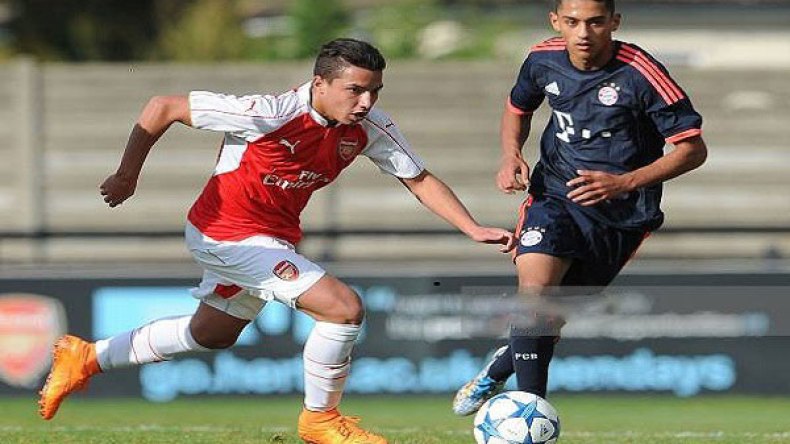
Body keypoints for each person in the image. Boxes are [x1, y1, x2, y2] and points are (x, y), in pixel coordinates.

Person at [37, 38, 515, 443]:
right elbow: (163, 107)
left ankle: (88, 357)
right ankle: (320, 418)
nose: (366, 102)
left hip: (272, 240)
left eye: (374, 91)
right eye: (355, 90)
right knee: (343, 308)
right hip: (225, 233)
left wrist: (471, 227)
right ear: (320, 83)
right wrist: (126, 175)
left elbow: (418, 178)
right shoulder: (268, 112)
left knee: (212, 334)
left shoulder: (368, 128)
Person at [453, 0, 707, 416]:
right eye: (572, 22)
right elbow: (518, 108)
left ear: (614, 22)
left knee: (550, 319)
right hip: (554, 195)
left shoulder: (642, 73)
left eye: (595, 22)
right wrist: (511, 154)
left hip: (622, 213)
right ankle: (531, 414)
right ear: (556, 21)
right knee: (534, 297)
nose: (583, 33)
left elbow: (693, 150)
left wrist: (623, 182)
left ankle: (500, 366)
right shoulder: (542, 59)